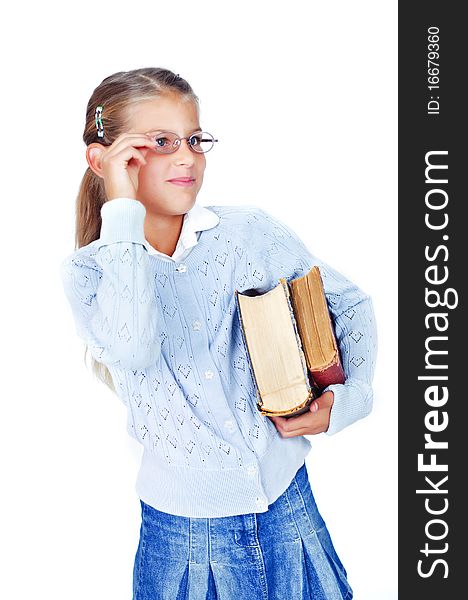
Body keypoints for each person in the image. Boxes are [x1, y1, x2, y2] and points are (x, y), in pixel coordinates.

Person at [60, 67, 377, 600]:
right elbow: (135, 347)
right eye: (159, 143)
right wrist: (121, 207)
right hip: (186, 545)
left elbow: (347, 304)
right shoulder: (91, 274)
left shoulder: (248, 233)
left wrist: (350, 398)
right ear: (103, 159)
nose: (186, 157)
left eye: (194, 139)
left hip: (291, 517)